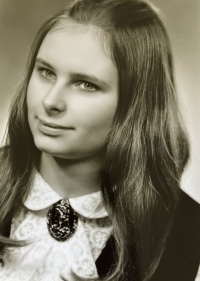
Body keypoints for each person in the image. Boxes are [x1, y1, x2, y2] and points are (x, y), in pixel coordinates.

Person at [0, 0, 199, 280]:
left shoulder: (184, 226)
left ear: (136, 106)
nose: (50, 101)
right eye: (46, 72)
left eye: (86, 84)